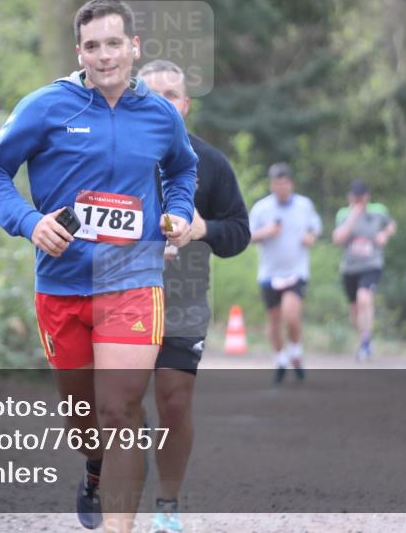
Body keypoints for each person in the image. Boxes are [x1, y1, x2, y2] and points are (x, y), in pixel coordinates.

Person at [0, 0, 197, 533]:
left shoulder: (160, 114)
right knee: (83, 423)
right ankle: (94, 467)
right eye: (93, 46)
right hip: (63, 283)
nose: (105, 56)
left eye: (114, 44)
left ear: (134, 47)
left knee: (121, 411)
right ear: (80, 52)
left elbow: (183, 170)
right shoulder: (46, 107)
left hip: (133, 279)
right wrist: (30, 223)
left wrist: (178, 213)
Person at [137, 61, 250, 533]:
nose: (165, 101)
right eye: (153, 93)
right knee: (114, 405)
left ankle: (167, 502)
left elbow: (239, 232)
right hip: (119, 295)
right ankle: (115, 462)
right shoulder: (112, 157)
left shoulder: (210, 163)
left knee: (175, 403)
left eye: (173, 94)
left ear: (185, 104)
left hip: (182, 302)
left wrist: (203, 228)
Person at [249, 164, 322, 384]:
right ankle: (280, 358)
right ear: (271, 185)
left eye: (285, 184)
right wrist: (266, 232)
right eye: (277, 184)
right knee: (273, 320)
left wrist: (311, 236)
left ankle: (296, 351)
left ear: (291, 184)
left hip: (296, 271)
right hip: (270, 273)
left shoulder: (304, 205)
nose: (281, 188)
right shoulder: (261, 208)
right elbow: (248, 236)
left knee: (291, 314)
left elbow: (315, 227)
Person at [332, 180, 396, 361]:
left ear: (368, 196)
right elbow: (337, 239)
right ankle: (363, 337)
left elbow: (391, 224)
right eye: (355, 197)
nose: (359, 201)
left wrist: (384, 234)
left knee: (364, 297)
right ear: (350, 197)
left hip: (372, 265)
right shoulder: (343, 214)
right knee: (355, 310)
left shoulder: (378, 211)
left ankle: (365, 342)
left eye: (362, 197)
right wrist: (354, 216)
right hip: (350, 268)